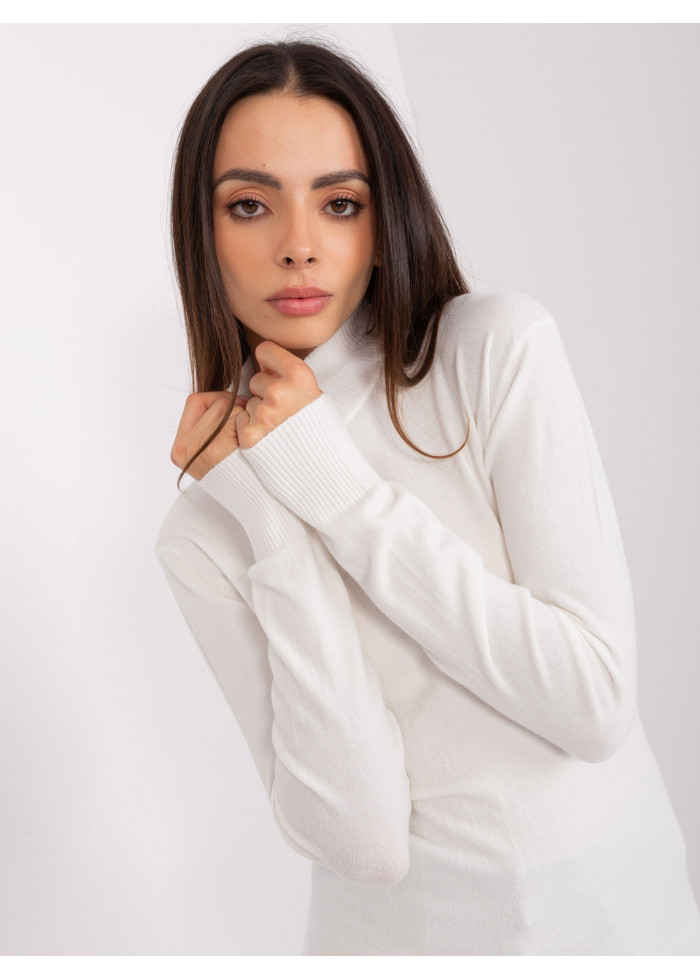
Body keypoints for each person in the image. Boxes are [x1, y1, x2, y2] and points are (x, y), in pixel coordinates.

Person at [154, 38, 700, 955]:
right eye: (249, 205)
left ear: (382, 220)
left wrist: (336, 489)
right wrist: (271, 517)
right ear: (201, 234)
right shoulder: (210, 522)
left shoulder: (493, 350)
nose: (298, 244)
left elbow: (594, 699)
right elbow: (364, 840)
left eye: (339, 203)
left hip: (629, 928)